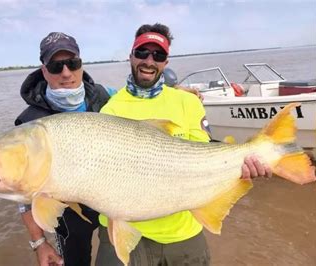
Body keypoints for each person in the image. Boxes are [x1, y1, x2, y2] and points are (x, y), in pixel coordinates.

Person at [96, 23, 271, 265]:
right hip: (124, 231)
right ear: (131, 56)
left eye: (158, 55)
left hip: (183, 232)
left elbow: (202, 157)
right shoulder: (111, 109)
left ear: (166, 62)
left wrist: (239, 169)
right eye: (142, 53)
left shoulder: (187, 102)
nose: (149, 61)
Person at [15, 32, 112, 266]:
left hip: (111, 194)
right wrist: (39, 242)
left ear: (81, 64)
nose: (66, 72)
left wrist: (175, 89)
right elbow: (23, 191)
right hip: (68, 210)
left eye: (73, 63)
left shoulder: (103, 96)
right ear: (44, 70)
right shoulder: (29, 122)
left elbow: (140, 100)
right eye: (56, 66)